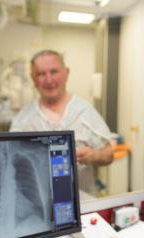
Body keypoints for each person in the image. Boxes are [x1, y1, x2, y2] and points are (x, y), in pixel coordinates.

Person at [10, 49, 113, 195]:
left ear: (66, 73)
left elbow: (109, 153)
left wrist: (94, 156)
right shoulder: (24, 119)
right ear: (33, 78)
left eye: (54, 72)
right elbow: (11, 161)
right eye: (41, 74)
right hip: (37, 205)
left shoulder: (84, 111)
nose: (49, 80)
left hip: (83, 204)